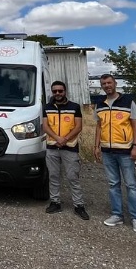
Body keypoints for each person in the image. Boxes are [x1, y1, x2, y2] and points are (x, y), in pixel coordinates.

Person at [93, 74, 136, 233]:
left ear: (115, 83)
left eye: (109, 82)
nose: (107, 85)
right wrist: (96, 146)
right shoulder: (99, 104)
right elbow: (99, 126)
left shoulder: (128, 102)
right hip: (108, 152)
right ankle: (117, 215)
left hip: (125, 151)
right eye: (103, 83)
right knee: (113, 184)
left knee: (131, 185)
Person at [43, 80, 88, 220]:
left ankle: (79, 205)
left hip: (70, 147)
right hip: (52, 147)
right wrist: (57, 138)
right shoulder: (46, 107)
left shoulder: (74, 106)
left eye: (60, 91)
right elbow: (45, 126)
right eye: (55, 91)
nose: (57, 93)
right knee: (54, 176)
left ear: (65, 91)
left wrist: (65, 139)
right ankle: (55, 202)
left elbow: (78, 126)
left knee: (73, 177)